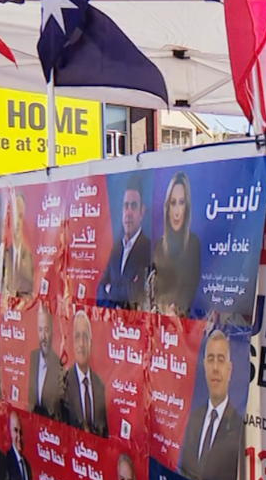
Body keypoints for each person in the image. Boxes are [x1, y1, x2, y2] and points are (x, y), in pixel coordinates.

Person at [178, 330, 243, 480]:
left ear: (229, 370)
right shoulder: (193, 419)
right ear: (204, 366)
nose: (215, 368)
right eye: (211, 359)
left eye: (221, 360)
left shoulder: (239, 427)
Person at [99, 175, 153, 309]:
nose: (128, 212)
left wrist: (110, 290)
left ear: (142, 212)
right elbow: (99, 292)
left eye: (133, 206)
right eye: (126, 206)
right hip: (114, 325)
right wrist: (116, 298)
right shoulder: (116, 249)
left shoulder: (147, 249)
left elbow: (134, 293)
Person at [152, 172, 201, 316]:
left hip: (183, 324)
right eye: (173, 203)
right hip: (160, 322)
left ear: (187, 207)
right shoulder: (159, 246)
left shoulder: (193, 245)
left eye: (181, 202)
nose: (177, 212)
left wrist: (176, 312)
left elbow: (190, 291)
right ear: (167, 208)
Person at [61, 310, 108, 437]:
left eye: (85, 337)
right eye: (77, 337)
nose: (81, 344)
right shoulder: (64, 382)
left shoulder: (100, 386)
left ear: (91, 344)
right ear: (72, 343)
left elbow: (104, 434)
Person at [28, 305, 63, 419]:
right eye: (40, 330)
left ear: (52, 331)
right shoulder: (31, 359)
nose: (43, 336)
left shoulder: (59, 364)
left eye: (46, 330)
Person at [4, 191, 35, 297]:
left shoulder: (30, 258)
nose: (17, 222)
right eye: (15, 216)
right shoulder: (5, 254)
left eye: (20, 216)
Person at [4, 410, 32, 480]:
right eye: (15, 431)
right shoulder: (6, 462)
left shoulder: (28, 468)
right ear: (10, 432)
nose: (19, 438)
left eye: (21, 432)